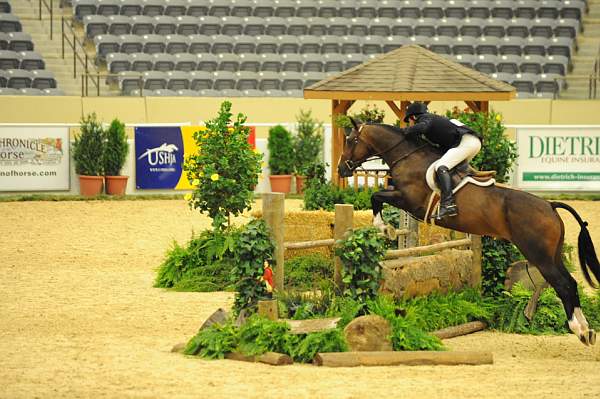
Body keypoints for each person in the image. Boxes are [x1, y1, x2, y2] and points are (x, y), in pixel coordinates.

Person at [403, 102, 483, 219]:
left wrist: (404, 131)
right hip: (470, 142)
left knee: (441, 167)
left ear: (413, 117)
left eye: (409, 121)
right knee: (450, 169)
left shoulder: (425, 118)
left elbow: (423, 127)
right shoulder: (434, 121)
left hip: (467, 143)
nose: (410, 124)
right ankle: (462, 199)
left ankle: (448, 205)